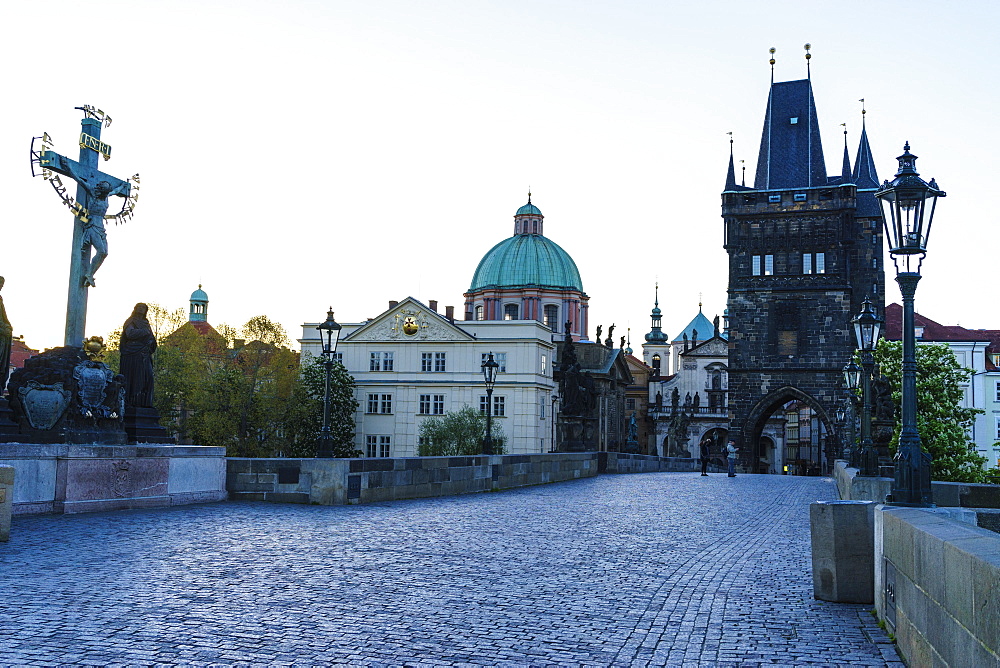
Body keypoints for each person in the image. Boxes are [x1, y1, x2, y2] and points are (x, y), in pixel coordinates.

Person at [119, 303, 156, 407]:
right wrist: (144, 332)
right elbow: (130, 334)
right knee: (136, 378)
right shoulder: (130, 321)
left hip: (145, 354)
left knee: (148, 377)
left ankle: (145, 402)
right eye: (139, 307)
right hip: (133, 354)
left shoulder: (146, 323)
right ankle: (133, 401)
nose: (141, 309)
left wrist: (151, 341)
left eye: (143, 307)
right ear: (135, 309)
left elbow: (151, 337)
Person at [0, 277, 11, 390]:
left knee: (2, 363)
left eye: (2, 285)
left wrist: (7, 326)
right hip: (2, 333)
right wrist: (4, 328)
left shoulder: (0, 299)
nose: (1, 287)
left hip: (3, 335)